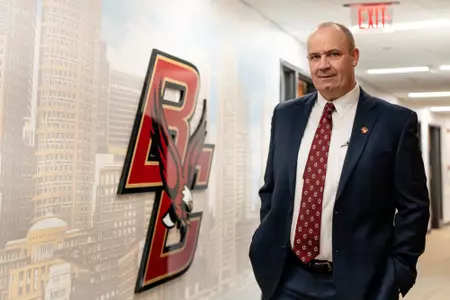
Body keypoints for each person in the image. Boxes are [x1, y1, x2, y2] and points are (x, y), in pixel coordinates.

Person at [249, 22, 430, 300]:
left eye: (333, 54)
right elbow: (272, 190)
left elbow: (413, 207)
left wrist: (399, 272)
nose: (323, 65)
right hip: (287, 279)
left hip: (362, 283)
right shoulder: (286, 116)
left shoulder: (393, 122)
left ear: (354, 57)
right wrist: (265, 244)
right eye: (314, 56)